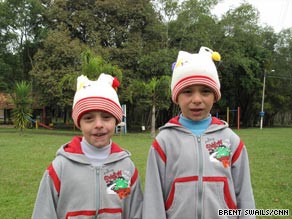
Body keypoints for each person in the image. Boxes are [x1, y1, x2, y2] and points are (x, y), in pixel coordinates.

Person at [142, 47, 255, 219]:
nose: (196, 99)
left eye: (205, 91)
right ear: (177, 96)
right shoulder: (164, 142)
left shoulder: (231, 140)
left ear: (215, 96)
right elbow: (153, 197)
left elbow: (244, 192)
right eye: (188, 91)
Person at [32, 73, 143, 219]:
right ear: (79, 123)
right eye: (89, 118)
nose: (98, 125)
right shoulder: (60, 168)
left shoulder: (124, 167)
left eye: (106, 117)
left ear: (116, 121)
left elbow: (133, 211)